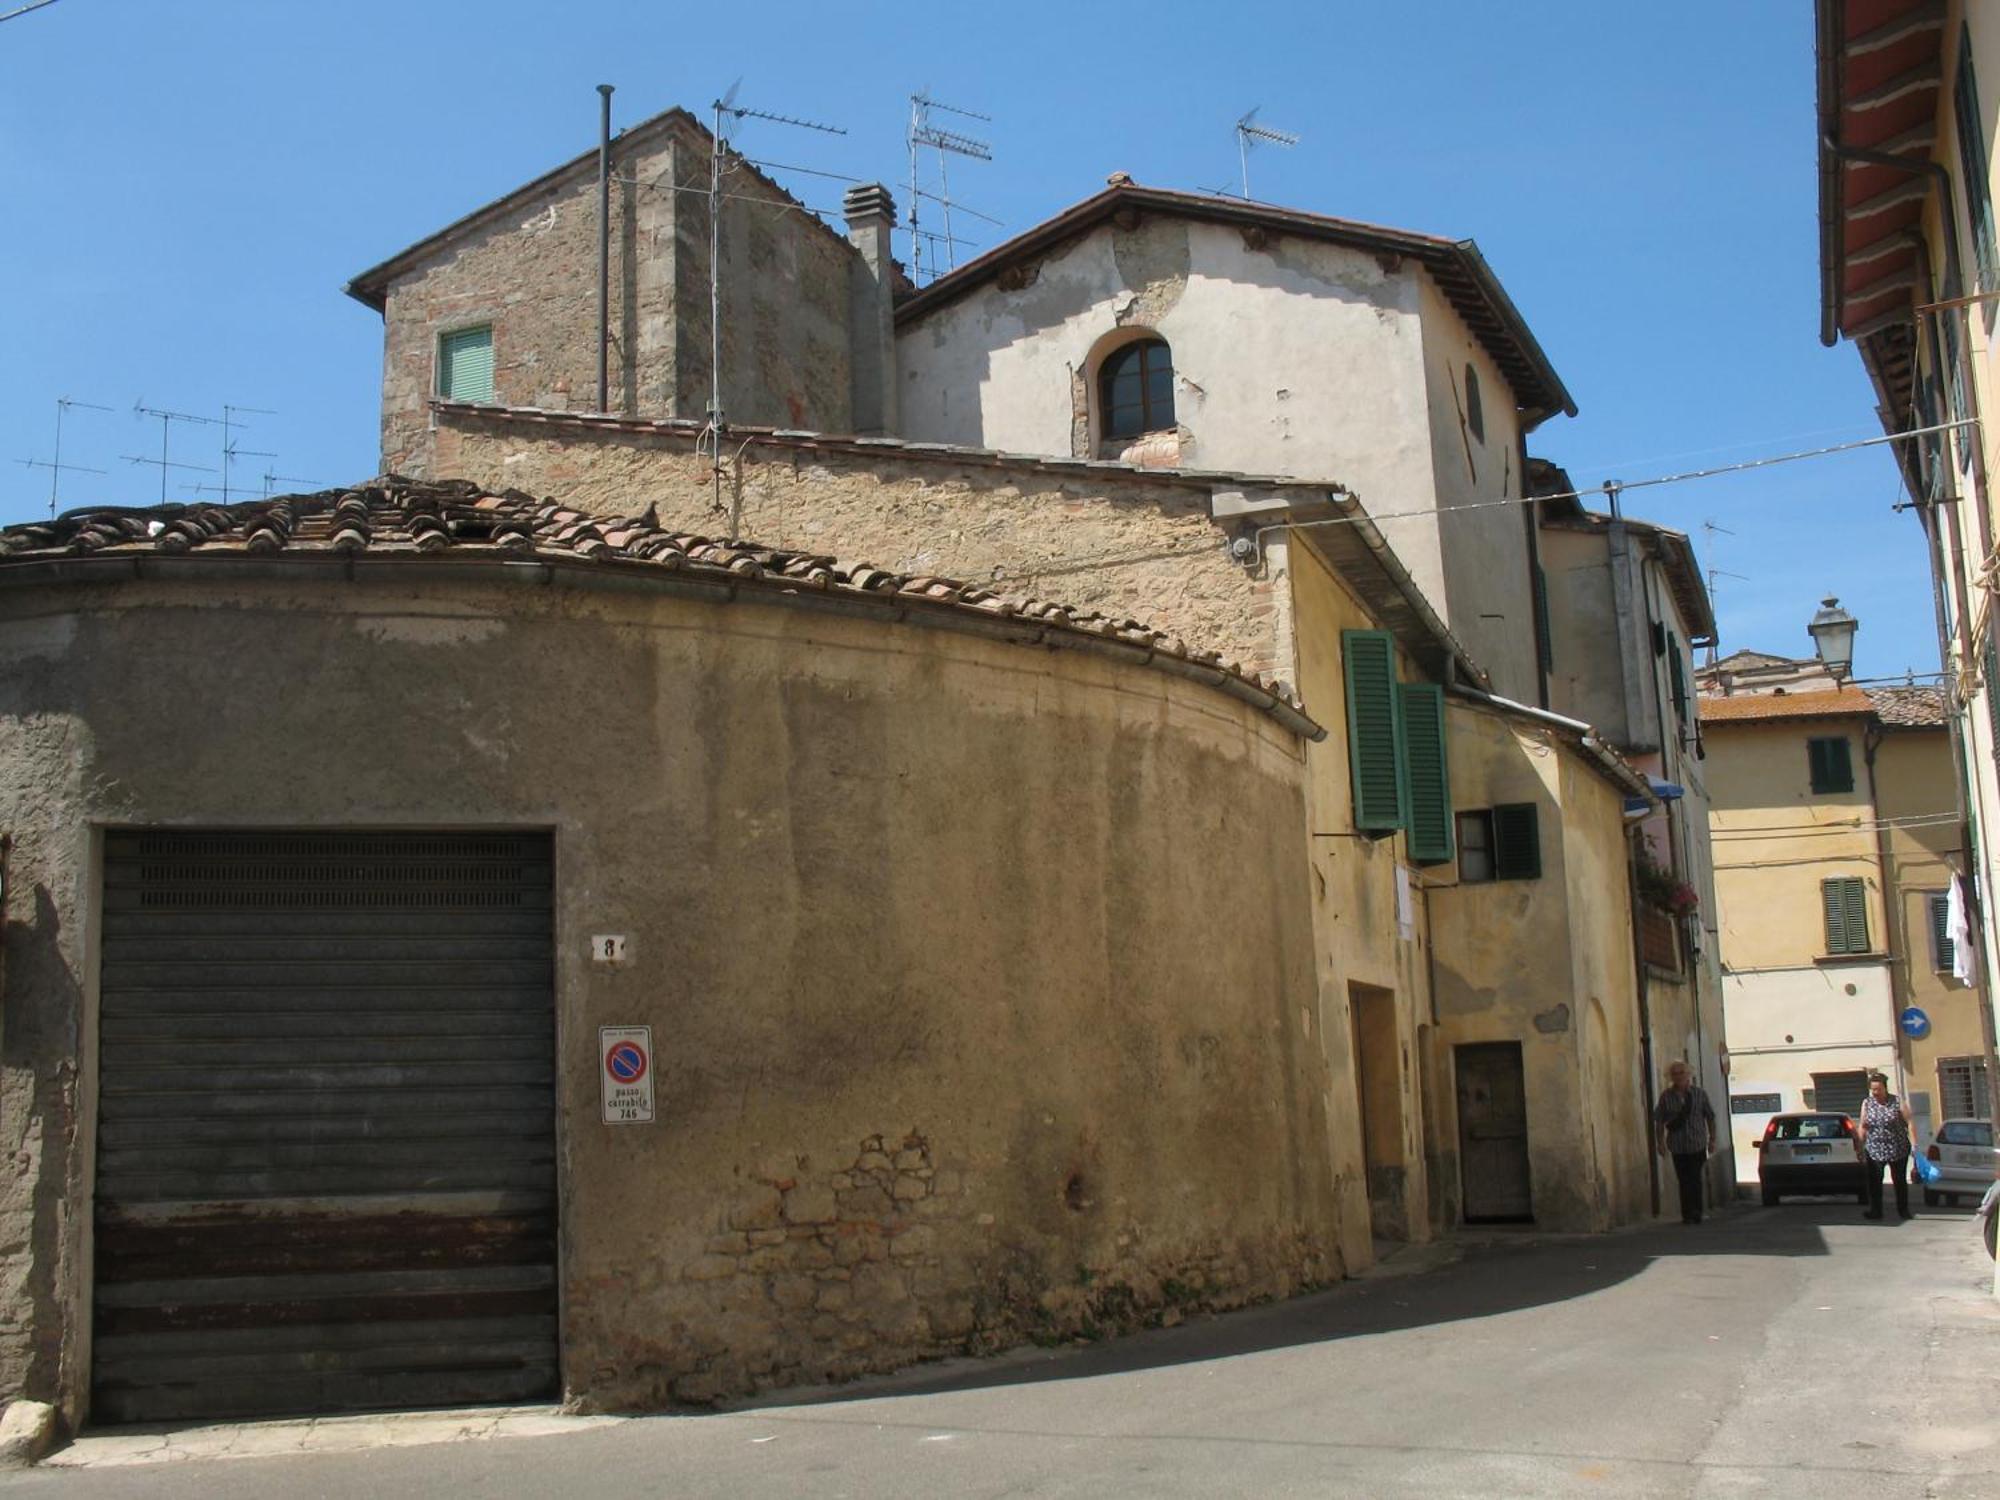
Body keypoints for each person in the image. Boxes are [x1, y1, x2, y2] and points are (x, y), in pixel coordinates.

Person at [1653, 1060, 1718, 1224]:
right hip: (1677, 1145)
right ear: (1671, 1077)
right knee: (1683, 1179)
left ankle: (1697, 1211)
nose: (1679, 1076)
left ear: (1688, 1074)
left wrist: (1712, 1140)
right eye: (1675, 1074)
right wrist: (1660, 1142)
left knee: (1695, 1177)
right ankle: (1687, 1213)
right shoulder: (1666, 1097)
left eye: (1682, 1073)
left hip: (1697, 1143)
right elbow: (1659, 1121)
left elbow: (1710, 1116)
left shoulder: (1699, 1094)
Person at [1856, 1071, 1915, 1221]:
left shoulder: (1897, 1101)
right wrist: (1859, 1146)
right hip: (1874, 1148)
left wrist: (1916, 1144)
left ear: (1885, 1088)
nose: (1875, 1092)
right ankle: (1876, 1211)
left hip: (1897, 1147)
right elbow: (1863, 1125)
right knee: (1874, 1181)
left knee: (1899, 1180)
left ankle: (1903, 1211)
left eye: (1878, 1089)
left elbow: (1909, 1122)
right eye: (1873, 1089)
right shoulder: (1867, 1103)